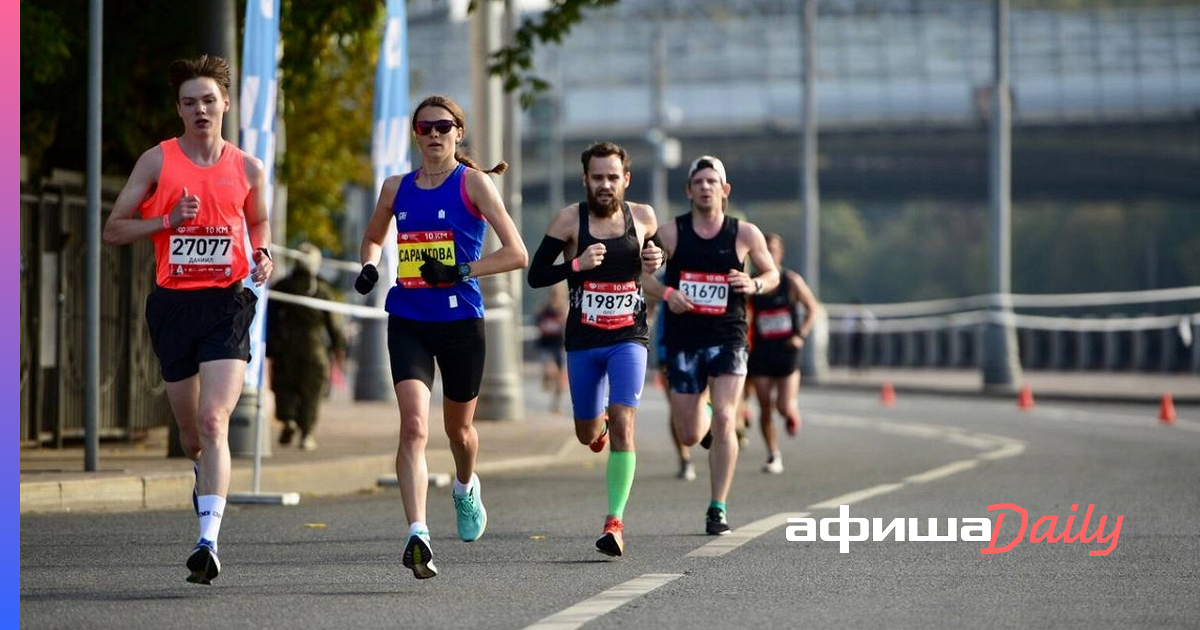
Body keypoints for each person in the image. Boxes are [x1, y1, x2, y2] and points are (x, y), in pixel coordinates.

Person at [101, 55, 273, 585]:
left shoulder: (248, 167)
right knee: (191, 434)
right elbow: (113, 229)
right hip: (173, 305)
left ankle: (208, 540)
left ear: (225, 103)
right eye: (189, 101)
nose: (200, 109)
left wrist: (262, 252)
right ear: (178, 109)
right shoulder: (157, 161)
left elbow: (259, 218)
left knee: (215, 421)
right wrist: (166, 220)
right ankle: (202, 470)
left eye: (208, 100)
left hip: (226, 302)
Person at [353, 94, 527, 580]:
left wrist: (459, 270)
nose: (434, 134)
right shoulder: (396, 187)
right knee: (413, 427)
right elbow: (372, 238)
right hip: (408, 317)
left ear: (458, 133)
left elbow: (518, 253)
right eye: (425, 127)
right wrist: (369, 265)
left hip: (459, 322)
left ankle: (466, 486)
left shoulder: (474, 184)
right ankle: (418, 533)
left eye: (443, 127)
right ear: (415, 134)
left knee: (459, 433)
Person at [528, 141, 659, 557]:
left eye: (612, 177)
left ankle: (615, 522)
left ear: (626, 180)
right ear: (585, 179)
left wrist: (657, 256)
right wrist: (576, 265)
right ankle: (596, 428)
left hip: (628, 338)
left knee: (624, 422)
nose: (605, 185)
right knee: (588, 433)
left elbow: (658, 253)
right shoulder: (569, 220)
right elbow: (535, 275)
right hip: (583, 341)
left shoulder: (643, 217)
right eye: (597, 177)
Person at [641, 155, 779, 536]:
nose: (705, 187)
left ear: (725, 189)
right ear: (688, 190)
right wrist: (667, 292)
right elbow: (643, 277)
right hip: (685, 340)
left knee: (725, 418)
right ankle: (702, 415)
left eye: (712, 181)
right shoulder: (671, 233)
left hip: (728, 336)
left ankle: (717, 507)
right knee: (688, 434)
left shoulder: (744, 234)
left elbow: (772, 273)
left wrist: (754, 285)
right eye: (698, 181)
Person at [747, 233, 818, 474]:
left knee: (782, 406)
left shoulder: (791, 281)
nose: (768, 252)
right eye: (764, 248)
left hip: (787, 350)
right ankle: (773, 454)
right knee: (765, 406)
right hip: (761, 352)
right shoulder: (752, 284)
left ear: (781, 253)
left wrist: (802, 335)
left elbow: (812, 308)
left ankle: (791, 413)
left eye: (773, 249)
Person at [266, 243, 346, 452]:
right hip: (315, 349)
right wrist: (339, 350)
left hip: (286, 346)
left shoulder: (282, 286)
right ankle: (307, 434)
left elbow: (270, 320)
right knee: (312, 392)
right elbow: (334, 326)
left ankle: (289, 419)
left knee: (284, 386)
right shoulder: (323, 289)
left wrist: (270, 347)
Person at [533, 285, 568, 412]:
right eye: (553, 295)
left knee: (561, 380)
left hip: (559, 346)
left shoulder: (564, 310)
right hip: (546, 345)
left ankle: (556, 405)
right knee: (550, 369)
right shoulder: (544, 309)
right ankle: (547, 377)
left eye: (558, 295)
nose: (555, 297)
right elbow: (537, 323)